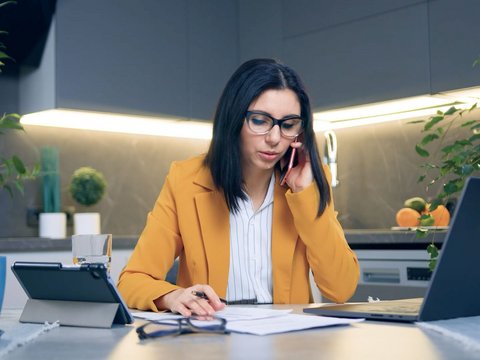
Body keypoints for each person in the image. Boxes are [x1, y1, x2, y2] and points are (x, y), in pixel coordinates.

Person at [117, 58, 359, 316]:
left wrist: (304, 194)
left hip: (289, 342)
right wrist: (172, 296)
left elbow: (341, 289)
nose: (275, 138)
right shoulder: (186, 180)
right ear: (234, 118)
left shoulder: (309, 181)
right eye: (259, 120)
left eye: (288, 125)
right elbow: (132, 279)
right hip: (212, 340)